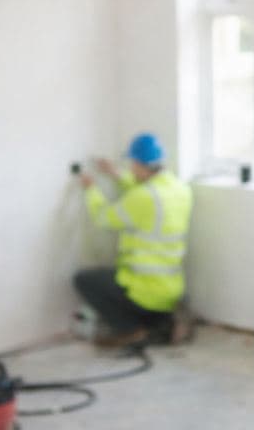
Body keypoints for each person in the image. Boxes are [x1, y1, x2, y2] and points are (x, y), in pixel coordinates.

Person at [74, 132, 194, 348]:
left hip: (143, 289)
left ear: (139, 164)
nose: (129, 168)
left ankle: (131, 331)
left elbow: (103, 217)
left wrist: (91, 189)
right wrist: (115, 174)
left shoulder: (144, 197)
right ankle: (162, 321)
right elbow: (145, 193)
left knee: (85, 279)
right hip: (170, 290)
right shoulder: (180, 189)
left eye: (131, 164)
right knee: (138, 295)